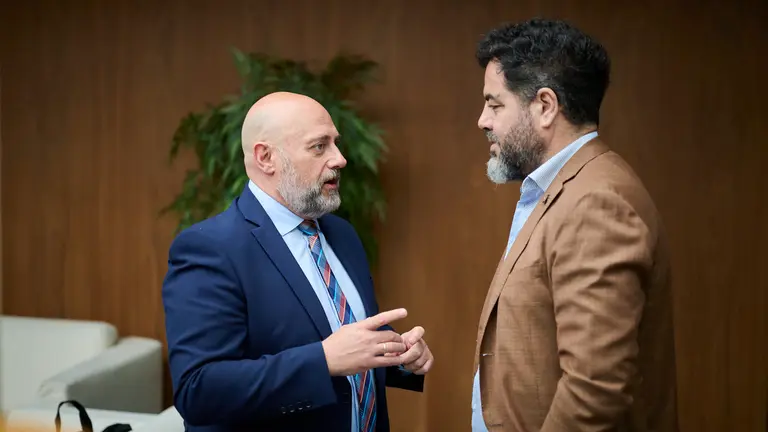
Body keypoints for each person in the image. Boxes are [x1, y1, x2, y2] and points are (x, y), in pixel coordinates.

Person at [162, 92, 433, 432]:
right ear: (266, 158)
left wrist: (399, 355)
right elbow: (198, 390)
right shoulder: (210, 248)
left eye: (336, 143)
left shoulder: (342, 234)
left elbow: (341, 336)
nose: (340, 159)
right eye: (319, 146)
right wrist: (323, 361)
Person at [471, 19, 678, 431]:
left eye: (495, 104)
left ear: (545, 106)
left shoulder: (596, 203)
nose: (482, 120)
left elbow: (595, 388)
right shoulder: (562, 187)